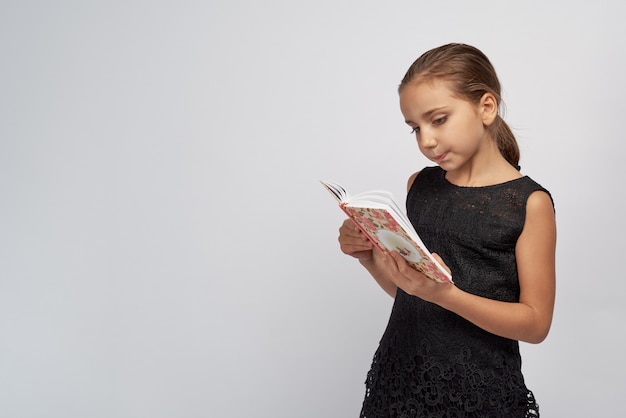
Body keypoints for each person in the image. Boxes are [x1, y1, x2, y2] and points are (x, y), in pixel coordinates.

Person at [338, 43, 556, 417]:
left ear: (486, 107)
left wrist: (447, 296)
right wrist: (369, 257)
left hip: (479, 393)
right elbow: (413, 294)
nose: (427, 141)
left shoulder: (528, 203)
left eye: (438, 120)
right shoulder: (419, 187)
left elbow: (535, 324)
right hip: (401, 378)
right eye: (415, 128)